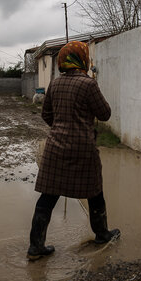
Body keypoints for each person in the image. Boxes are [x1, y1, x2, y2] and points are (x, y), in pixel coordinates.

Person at [27, 41, 120, 260]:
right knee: (95, 193)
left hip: (54, 148)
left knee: (47, 197)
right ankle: (102, 234)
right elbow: (105, 113)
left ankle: (35, 247)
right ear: (83, 59)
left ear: (63, 61)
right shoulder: (88, 85)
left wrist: (61, 128)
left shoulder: (55, 84)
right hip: (83, 149)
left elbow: (46, 115)